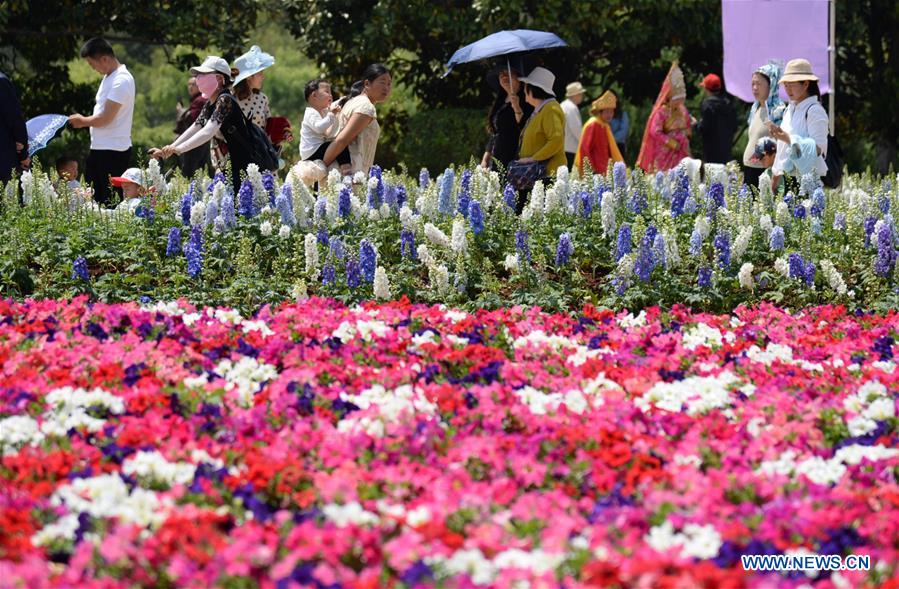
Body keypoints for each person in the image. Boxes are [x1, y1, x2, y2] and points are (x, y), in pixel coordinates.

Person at [149, 56, 254, 191]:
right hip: (225, 165)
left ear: (219, 78)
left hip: (242, 164)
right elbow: (196, 127)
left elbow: (208, 131)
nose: (199, 78)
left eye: (204, 75)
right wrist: (170, 148)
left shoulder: (225, 100)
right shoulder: (210, 103)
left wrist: (179, 150)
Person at [68, 38, 135, 207]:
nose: (93, 69)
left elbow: (106, 118)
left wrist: (82, 121)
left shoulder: (122, 80)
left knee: (110, 202)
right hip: (100, 147)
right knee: (94, 200)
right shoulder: (109, 77)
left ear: (104, 59)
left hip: (113, 151)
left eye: (93, 64)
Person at [767, 59, 828, 194]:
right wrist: (775, 177)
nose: (787, 89)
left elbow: (819, 149)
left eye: (791, 84)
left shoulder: (815, 110)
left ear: (806, 84)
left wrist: (790, 139)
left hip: (806, 180)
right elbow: (783, 150)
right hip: (786, 178)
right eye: (785, 85)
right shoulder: (790, 108)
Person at [322, 64, 392, 176]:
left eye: (389, 84)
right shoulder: (366, 107)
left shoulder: (345, 101)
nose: (386, 88)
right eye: (382, 82)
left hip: (333, 173)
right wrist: (320, 166)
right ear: (367, 84)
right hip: (346, 176)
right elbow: (341, 141)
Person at [514, 66, 565, 212]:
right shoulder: (541, 109)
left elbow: (556, 140)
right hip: (534, 176)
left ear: (533, 89)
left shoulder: (551, 109)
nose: (523, 90)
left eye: (526, 87)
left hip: (545, 175)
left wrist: (533, 158)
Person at [232, 46, 293, 152]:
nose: (263, 77)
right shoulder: (231, 99)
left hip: (260, 153)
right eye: (260, 73)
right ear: (249, 77)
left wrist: (283, 132)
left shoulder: (262, 98)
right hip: (237, 153)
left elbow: (269, 125)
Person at [636, 61, 692, 172]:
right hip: (665, 150)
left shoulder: (683, 109)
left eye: (681, 99)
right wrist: (671, 142)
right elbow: (655, 132)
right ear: (669, 98)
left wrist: (686, 133)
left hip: (682, 150)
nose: (680, 102)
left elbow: (687, 124)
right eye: (677, 100)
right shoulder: (661, 112)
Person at [480, 63, 533, 174]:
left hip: (515, 159)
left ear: (519, 78)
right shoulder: (501, 99)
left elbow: (526, 128)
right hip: (497, 157)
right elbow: (496, 132)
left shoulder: (527, 99)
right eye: (500, 75)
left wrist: (517, 107)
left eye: (508, 74)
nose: (504, 77)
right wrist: (486, 157)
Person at [742, 61, 785, 188]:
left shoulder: (778, 110)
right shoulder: (755, 108)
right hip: (749, 167)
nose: (755, 88)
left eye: (759, 84)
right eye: (753, 84)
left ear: (771, 85)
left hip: (766, 172)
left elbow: (782, 143)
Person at [300, 79, 352, 175]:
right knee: (339, 145)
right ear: (314, 95)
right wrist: (331, 115)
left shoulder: (323, 112)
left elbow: (327, 133)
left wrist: (341, 102)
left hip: (317, 149)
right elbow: (319, 128)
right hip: (311, 152)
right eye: (327, 92)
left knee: (336, 145)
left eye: (331, 92)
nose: (331, 95)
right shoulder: (310, 112)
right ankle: (347, 173)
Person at [574, 90, 624, 176]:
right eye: (607, 112)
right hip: (594, 171)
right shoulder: (593, 124)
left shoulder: (605, 126)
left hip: (604, 169)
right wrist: (591, 170)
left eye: (611, 112)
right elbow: (584, 148)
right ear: (600, 112)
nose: (610, 115)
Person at [174, 76, 212, 178]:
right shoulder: (199, 99)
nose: (190, 87)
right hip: (201, 140)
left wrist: (181, 111)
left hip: (195, 140)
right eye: (189, 84)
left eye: (193, 84)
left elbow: (193, 119)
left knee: (190, 171)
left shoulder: (200, 100)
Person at [696, 73, 737, 164]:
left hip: (711, 152)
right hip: (726, 152)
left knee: (711, 176)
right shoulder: (729, 104)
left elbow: (704, 128)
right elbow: (734, 127)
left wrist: (696, 124)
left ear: (706, 89)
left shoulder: (707, 104)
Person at [561, 81, 586, 169]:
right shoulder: (571, 108)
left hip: (564, 148)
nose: (582, 96)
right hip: (571, 149)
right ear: (575, 95)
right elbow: (576, 129)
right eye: (580, 94)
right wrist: (585, 144)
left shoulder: (563, 105)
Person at [608, 90, 630, 160]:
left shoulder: (622, 114)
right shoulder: (601, 114)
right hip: (604, 146)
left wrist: (611, 140)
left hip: (618, 146)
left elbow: (624, 131)